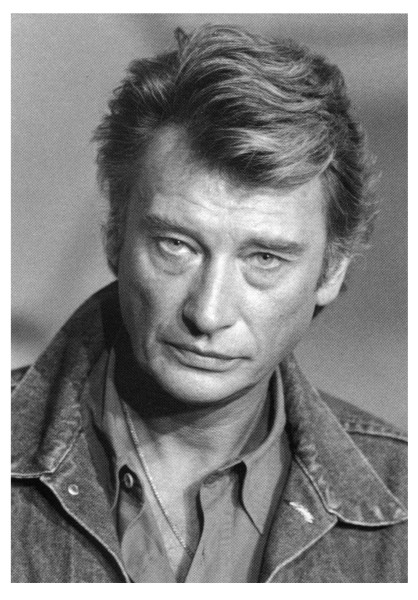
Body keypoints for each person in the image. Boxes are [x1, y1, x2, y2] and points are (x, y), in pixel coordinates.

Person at [11, 24, 407, 583]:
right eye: (177, 245)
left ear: (331, 271)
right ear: (114, 236)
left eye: (264, 258)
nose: (208, 313)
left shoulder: (403, 502)